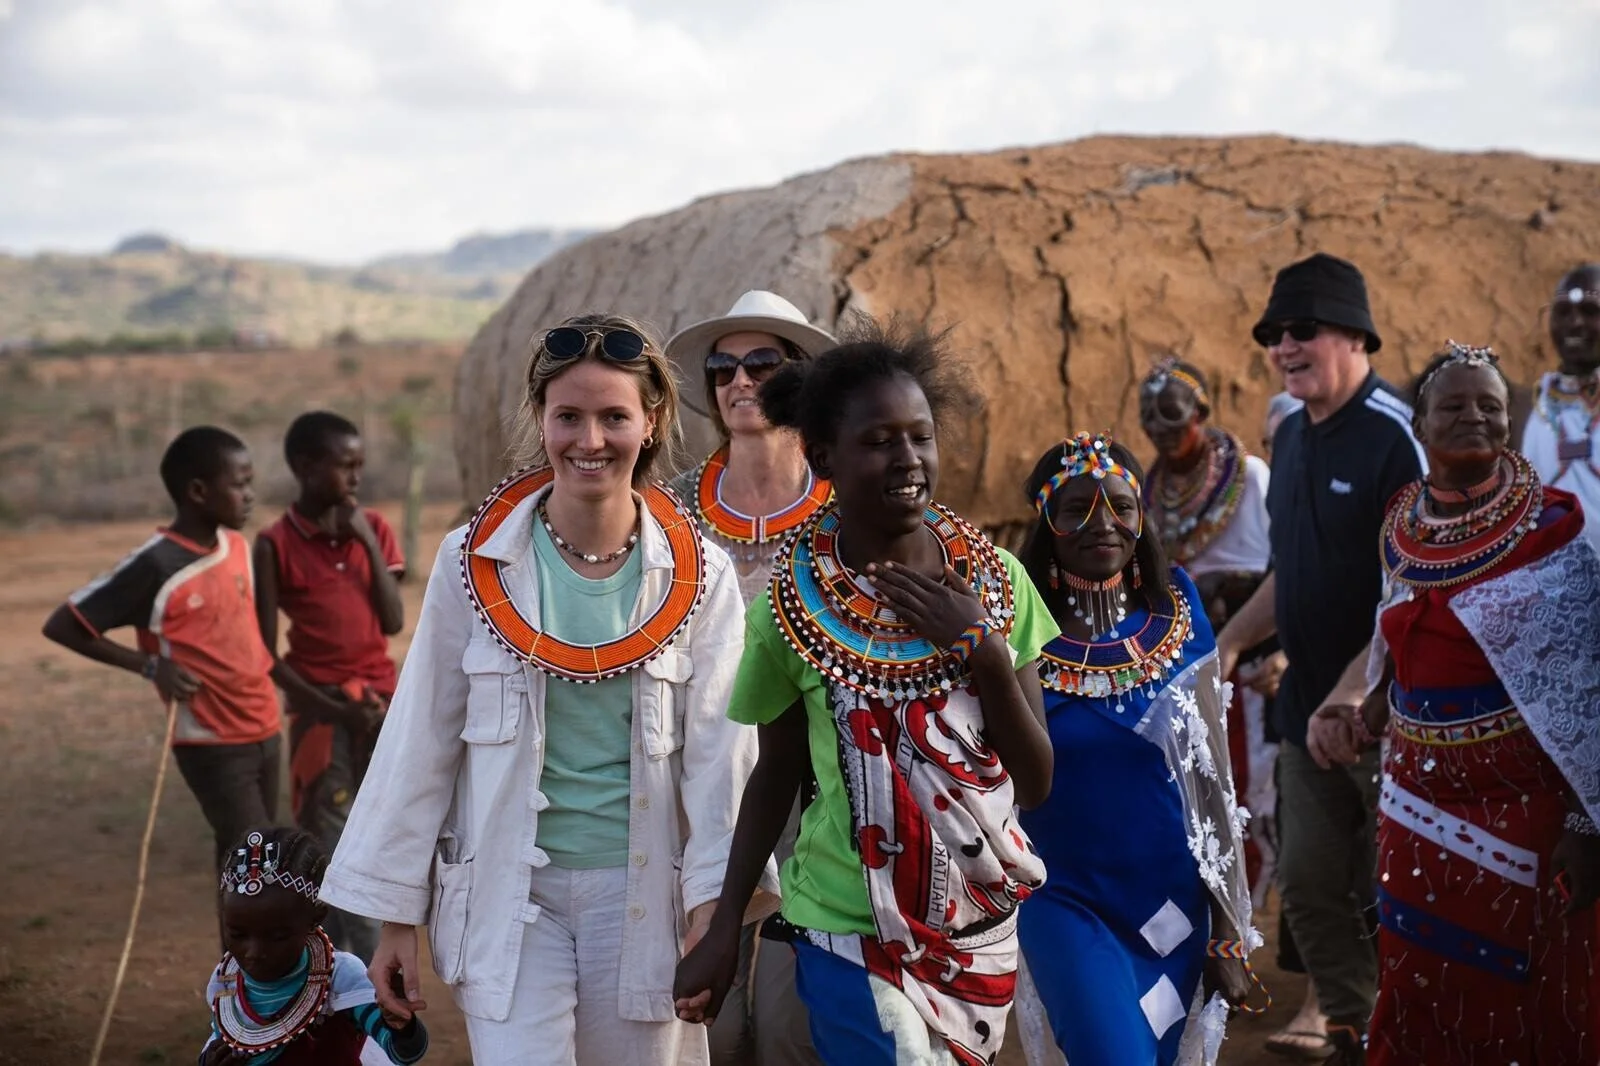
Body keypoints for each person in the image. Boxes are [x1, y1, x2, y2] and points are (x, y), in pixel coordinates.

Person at [318, 313, 773, 1065]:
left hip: (640, 898)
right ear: (540, 419)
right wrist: (395, 917)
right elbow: (421, 737)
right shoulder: (474, 562)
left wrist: (709, 914)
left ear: (651, 422)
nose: (589, 440)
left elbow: (721, 763)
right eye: (569, 416)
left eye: (613, 417)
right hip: (508, 896)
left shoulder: (700, 576)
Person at [673, 320, 1059, 1065]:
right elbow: (774, 777)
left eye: (920, 436)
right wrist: (724, 931)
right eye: (880, 440)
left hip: (974, 926)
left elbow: (1036, 783)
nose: (908, 458)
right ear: (824, 457)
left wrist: (979, 646)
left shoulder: (1001, 586)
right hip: (845, 922)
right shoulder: (789, 610)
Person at [1311, 343, 1600, 1064]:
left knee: (1532, 991)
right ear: (1421, 424)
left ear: (1509, 423)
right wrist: (1369, 706)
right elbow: (1399, 631)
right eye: (1455, 405)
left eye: (1490, 406)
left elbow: (1584, 690)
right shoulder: (1405, 525)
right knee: (1419, 980)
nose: (1474, 415)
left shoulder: (1554, 532)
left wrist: (1585, 822)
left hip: (1527, 809)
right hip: (1417, 803)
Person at [1215, 253, 1424, 1065]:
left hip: (1395, 716)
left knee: (1396, 896)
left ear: (1354, 333)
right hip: (1308, 707)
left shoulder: (1398, 435)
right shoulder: (1294, 435)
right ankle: (1351, 1029)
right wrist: (1233, 643)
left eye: (1301, 330)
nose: (1283, 346)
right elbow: (1291, 570)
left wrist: (1351, 693)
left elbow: (1418, 587)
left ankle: (1401, 1034)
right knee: (1304, 888)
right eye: (1273, 335)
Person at [1010, 431, 1255, 1066]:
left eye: (1121, 505)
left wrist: (1228, 930)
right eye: (1077, 509)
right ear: (1047, 523)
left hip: (1170, 902)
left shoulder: (1179, 612)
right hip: (1061, 898)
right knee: (1110, 1052)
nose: (1104, 523)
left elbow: (1212, 784)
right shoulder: (1011, 628)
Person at [665, 291, 833, 1065]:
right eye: (724, 366)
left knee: (797, 1011)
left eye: (762, 363)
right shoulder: (670, 518)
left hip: (816, 780)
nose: (740, 381)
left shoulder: (848, 514)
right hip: (698, 774)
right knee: (711, 1021)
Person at [41, 426, 281, 881]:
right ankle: (247, 955)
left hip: (265, 724)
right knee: (257, 867)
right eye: (239, 483)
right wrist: (150, 666)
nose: (250, 495)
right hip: (211, 739)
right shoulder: (156, 565)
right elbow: (64, 625)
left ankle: (234, 955)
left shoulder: (236, 545)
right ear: (197, 491)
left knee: (243, 865)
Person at [256, 410, 406, 963]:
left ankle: (345, 974)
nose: (356, 478)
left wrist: (365, 538)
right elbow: (265, 654)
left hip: (379, 710)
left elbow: (391, 622)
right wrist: (332, 709)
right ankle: (358, 980)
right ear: (305, 467)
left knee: (378, 836)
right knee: (330, 844)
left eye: (360, 466)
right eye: (345, 467)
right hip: (323, 717)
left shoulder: (376, 528)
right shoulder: (274, 544)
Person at [1137, 359, 1277, 900]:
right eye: (1149, 418)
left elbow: (1277, 571)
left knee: (1254, 782)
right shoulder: (1150, 495)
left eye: (1172, 415)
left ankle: (1256, 906)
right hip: (1188, 660)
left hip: (1253, 658)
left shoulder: (1253, 477)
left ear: (1201, 412)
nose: (1160, 429)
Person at [201, 827, 429, 1065]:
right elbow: (220, 1041)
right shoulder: (225, 983)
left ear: (316, 918)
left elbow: (403, 1053)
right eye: (237, 934)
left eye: (277, 937)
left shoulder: (340, 978)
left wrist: (402, 1026)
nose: (254, 953)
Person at [1522, 263, 1600, 553]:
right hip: (1555, 589)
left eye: (1591, 311)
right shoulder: (1531, 408)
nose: (1575, 323)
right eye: (1563, 312)